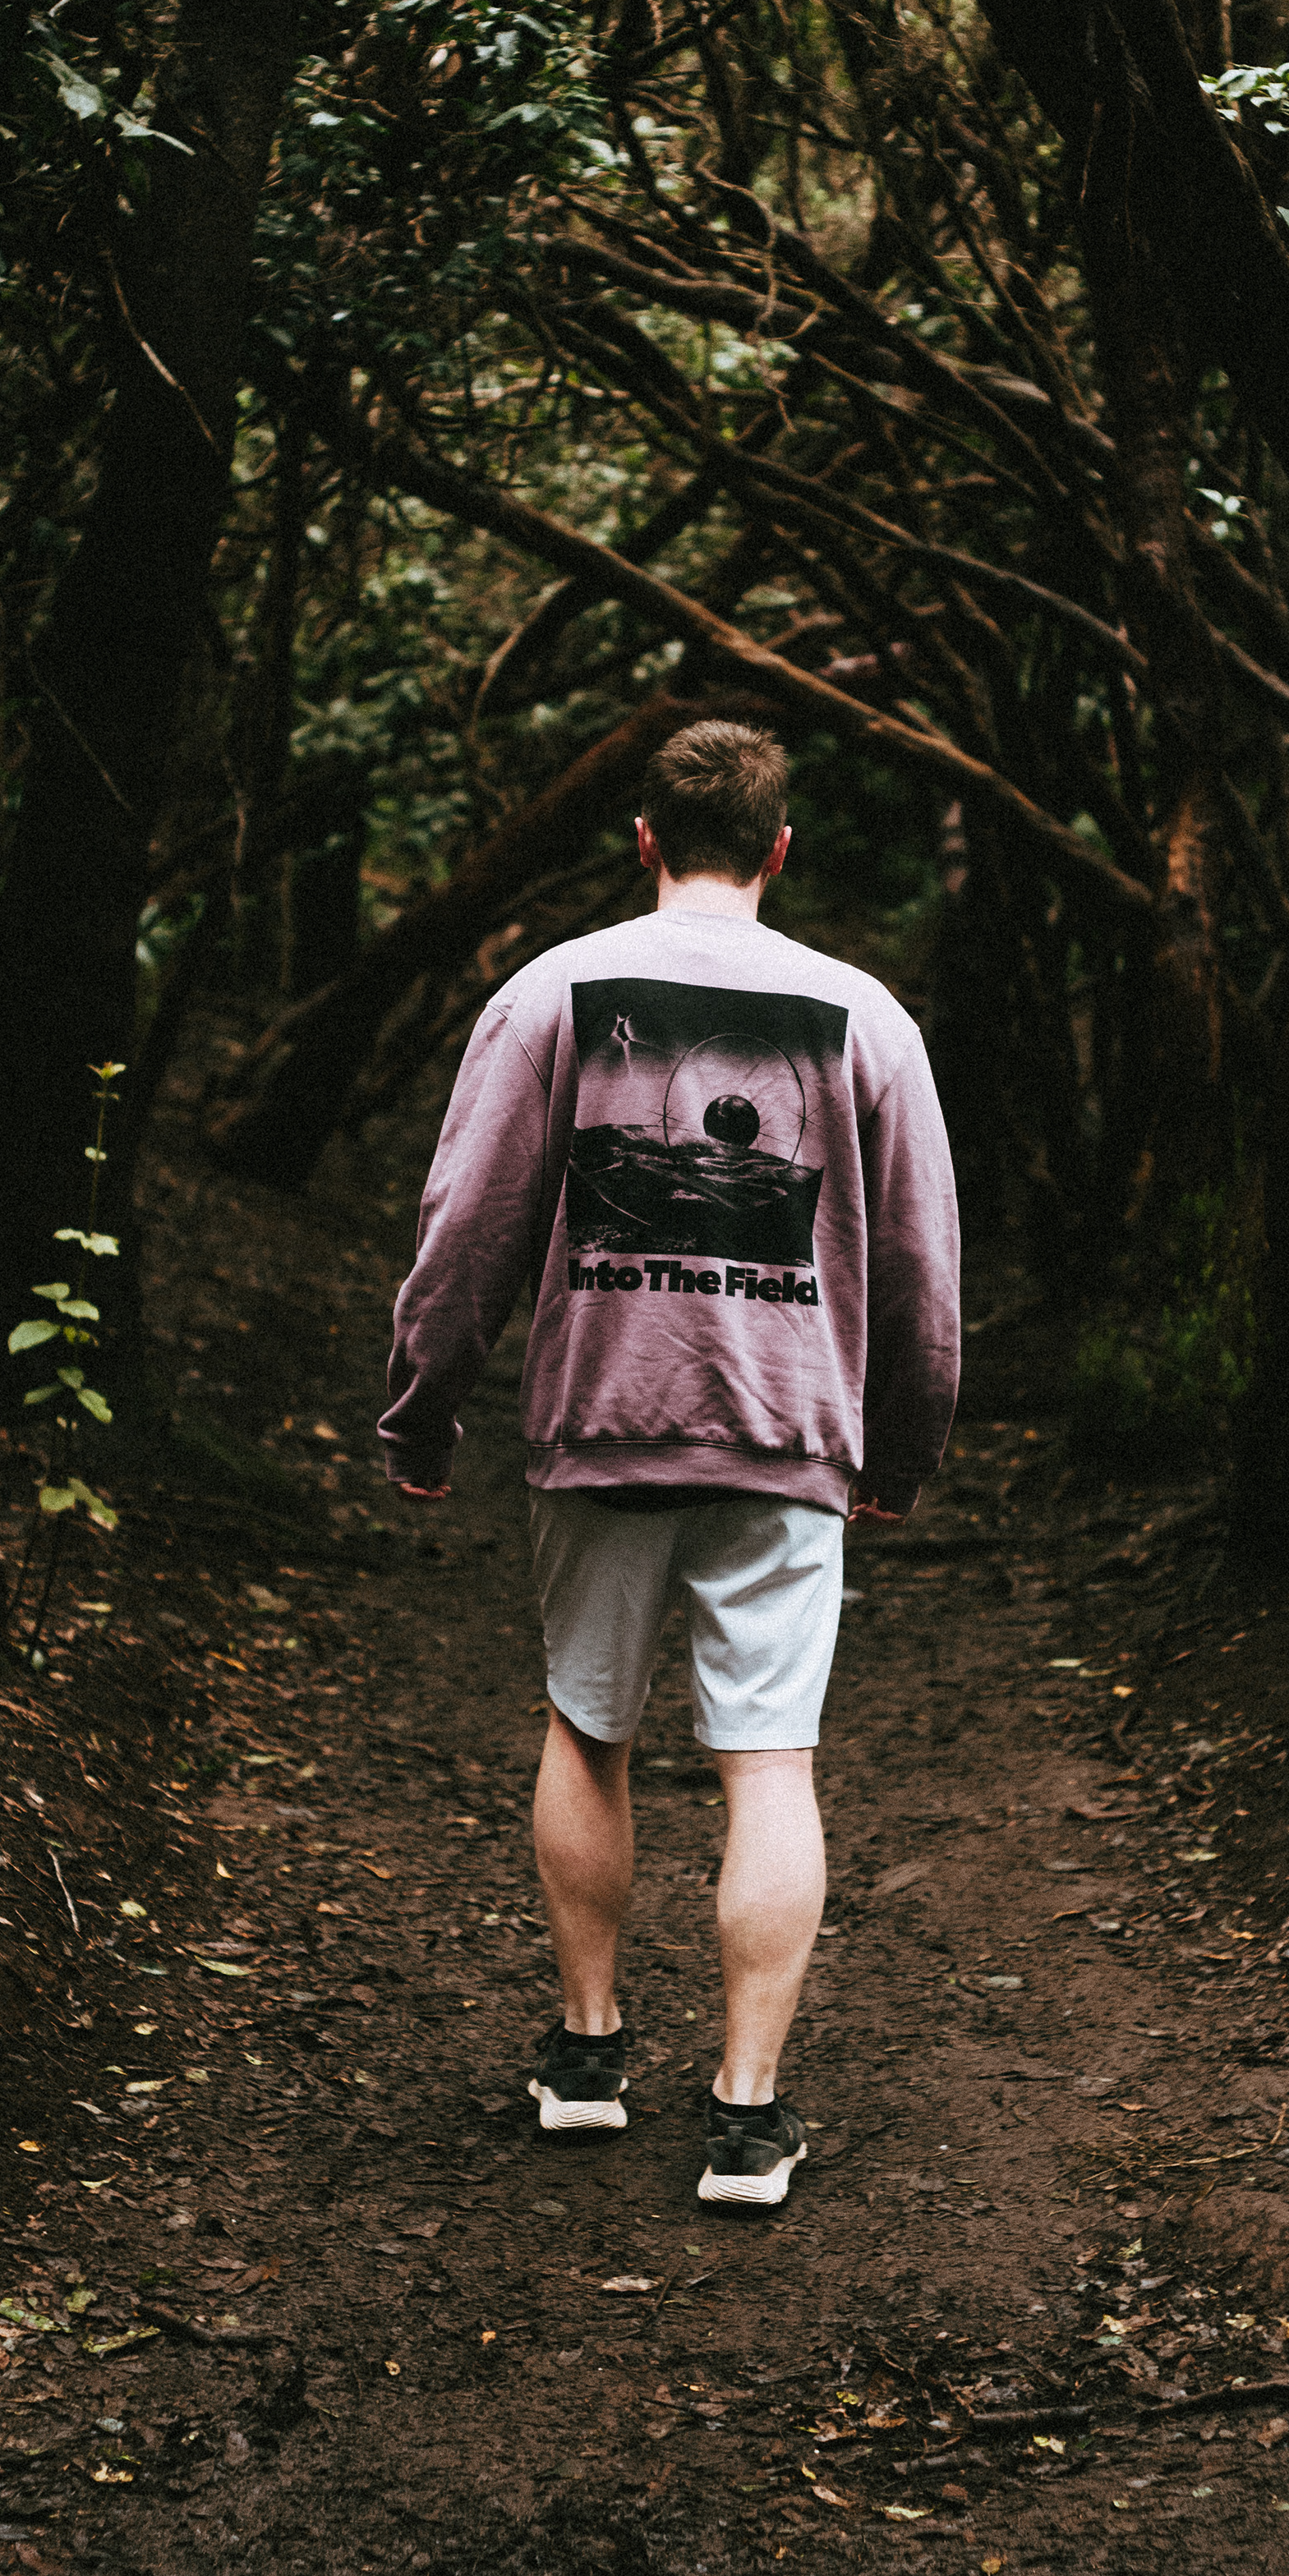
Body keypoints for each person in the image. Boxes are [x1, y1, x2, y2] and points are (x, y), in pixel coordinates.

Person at [378, 718, 961, 2210]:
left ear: (641, 838)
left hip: (602, 1422)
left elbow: (469, 1226)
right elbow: (919, 1263)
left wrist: (425, 1403)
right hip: (786, 1436)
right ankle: (749, 2120)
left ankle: (585, 2060)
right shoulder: (864, 1017)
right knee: (769, 1757)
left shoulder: (550, 993)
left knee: (589, 1727)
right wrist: (902, 1443)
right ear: (780, 849)